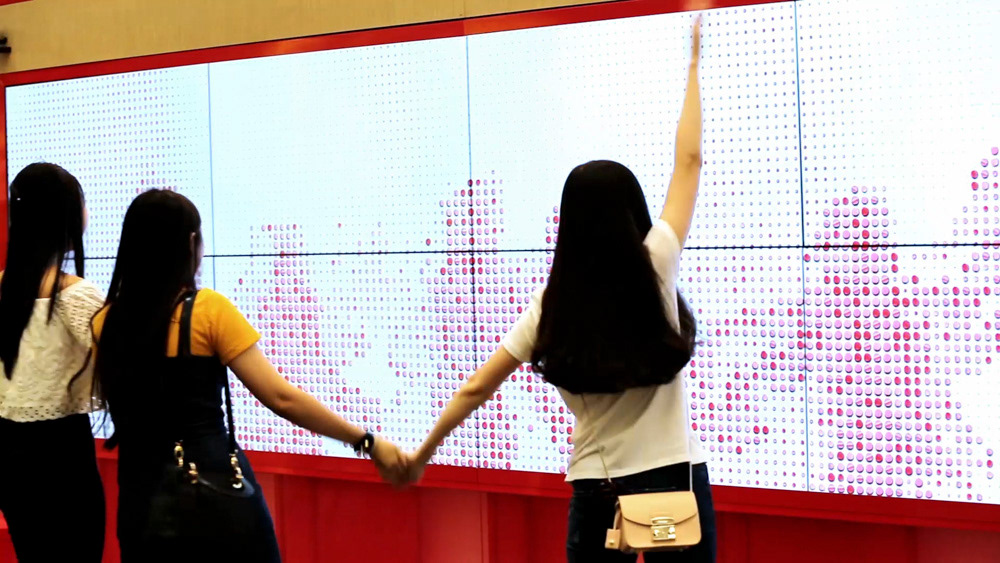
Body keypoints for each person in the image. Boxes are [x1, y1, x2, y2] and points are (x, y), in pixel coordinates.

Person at [402, 15, 713, 563]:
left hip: (598, 488)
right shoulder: (657, 264)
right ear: (632, 214)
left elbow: (476, 388)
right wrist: (692, 65)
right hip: (673, 484)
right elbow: (688, 163)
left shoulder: (552, 306)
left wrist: (423, 452)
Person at [91, 189, 407, 562]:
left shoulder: (104, 321)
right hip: (213, 493)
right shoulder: (208, 311)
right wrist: (365, 441)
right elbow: (282, 398)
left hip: (140, 501)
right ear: (190, 243)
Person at [0, 163, 106, 562]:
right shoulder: (76, 295)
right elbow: (123, 362)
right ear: (67, 216)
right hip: (63, 455)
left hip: (9, 454)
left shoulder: (3, 286)